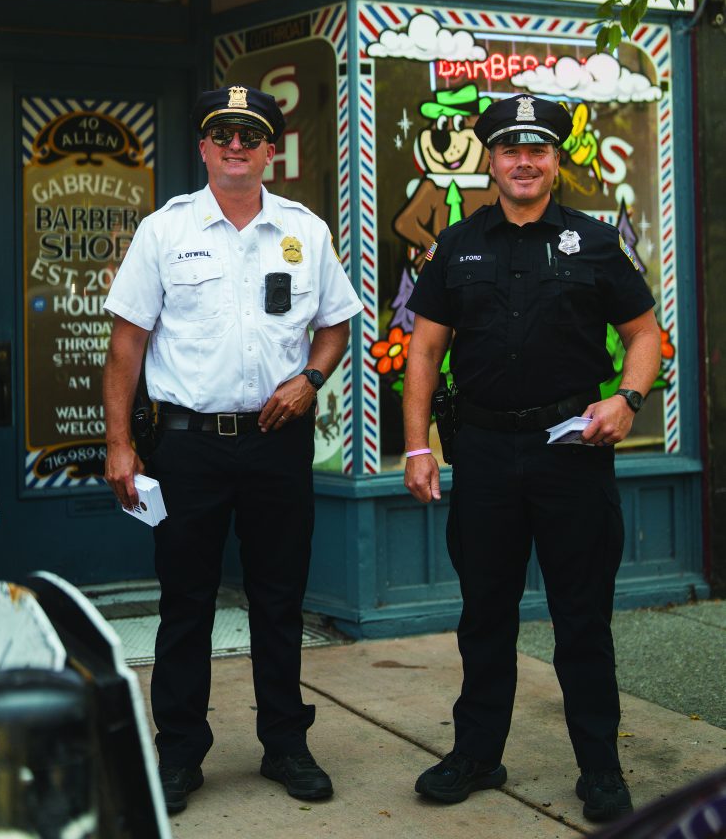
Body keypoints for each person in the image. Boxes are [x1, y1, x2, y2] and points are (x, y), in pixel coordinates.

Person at [102, 84, 363, 814]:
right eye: (223, 134)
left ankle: (286, 743)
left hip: (276, 443)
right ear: (205, 148)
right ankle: (180, 753)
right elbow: (127, 341)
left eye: (251, 135)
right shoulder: (166, 229)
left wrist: (311, 379)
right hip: (186, 446)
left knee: (278, 600)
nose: (237, 146)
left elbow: (336, 322)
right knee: (184, 602)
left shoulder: (304, 230)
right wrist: (120, 443)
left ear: (271, 150)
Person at [402, 93, 662, 824]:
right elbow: (424, 350)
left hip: (570, 452)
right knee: (485, 614)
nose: (523, 161)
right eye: (510, 150)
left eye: (538, 149)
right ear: (491, 159)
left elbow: (643, 333)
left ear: (555, 161)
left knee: (582, 617)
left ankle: (601, 769)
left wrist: (627, 399)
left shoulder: (594, 241)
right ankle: (477, 754)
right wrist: (418, 444)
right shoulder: (456, 244)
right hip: (481, 454)